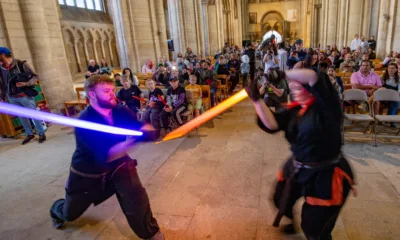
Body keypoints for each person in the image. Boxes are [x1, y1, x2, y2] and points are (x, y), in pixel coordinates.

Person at [49, 75, 164, 240]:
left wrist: (148, 130)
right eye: (106, 91)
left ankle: (151, 233)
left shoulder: (120, 110)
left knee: (136, 197)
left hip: (119, 164)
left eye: (113, 90)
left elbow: (137, 125)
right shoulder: (84, 121)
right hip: (88, 172)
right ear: (93, 95)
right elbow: (105, 155)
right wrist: (135, 140)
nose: (112, 94)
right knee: (70, 212)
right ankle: (57, 211)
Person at [245, 68, 355, 240]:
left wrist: (283, 73)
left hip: (325, 173)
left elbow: (313, 76)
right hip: (298, 166)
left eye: (298, 83)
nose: (293, 86)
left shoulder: (327, 106)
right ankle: (291, 222)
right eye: (291, 84)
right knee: (281, 197)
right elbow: (272, 124)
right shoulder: (294, 110)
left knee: (314, 226)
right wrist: (257, 101)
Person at [0, 47, 47, 144]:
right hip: (12, 97)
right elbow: (2, 84)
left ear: (3, 55)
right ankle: (29, 134)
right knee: (22, 116)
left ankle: (41, 133)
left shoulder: (21, 64)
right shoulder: (1, 68)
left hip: (24, 95)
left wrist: (26, 84)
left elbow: (35, 76)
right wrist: (3, 97)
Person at [381, 63, 400, 128]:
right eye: (389, 68)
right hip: (383, 96)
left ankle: (392, 121)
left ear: (396, 70)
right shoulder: (382, 77)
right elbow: (379, 87)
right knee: (395, 102)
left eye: (393, 68)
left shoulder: (399, 79)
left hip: (393, 96)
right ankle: (392, 120)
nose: (391, 70)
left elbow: (399, 91)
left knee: (395, 102)